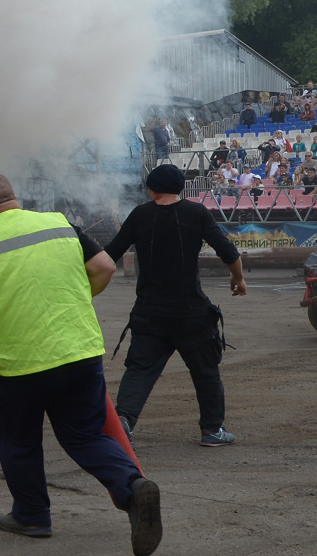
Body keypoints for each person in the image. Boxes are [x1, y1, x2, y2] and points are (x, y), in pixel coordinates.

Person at [0, 173, 161, 556]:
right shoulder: (59, 224)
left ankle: (33, 515)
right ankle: (133, 487)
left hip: (20, 367)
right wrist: (73, 298)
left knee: (19, 442)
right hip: (80, 353)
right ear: (14, 199)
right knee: (86, 436)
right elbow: (105, 267)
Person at [105, 165, 246, 448]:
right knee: (206, 372)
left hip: (149, 311)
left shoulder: (140, 215)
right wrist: (238, 278)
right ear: (180, 188)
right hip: (191, 312)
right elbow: (228, 251)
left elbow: (109, 257)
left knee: (139, 370)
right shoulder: (196, 213)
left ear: (153, 189)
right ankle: (212, 431)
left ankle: (123, 422)